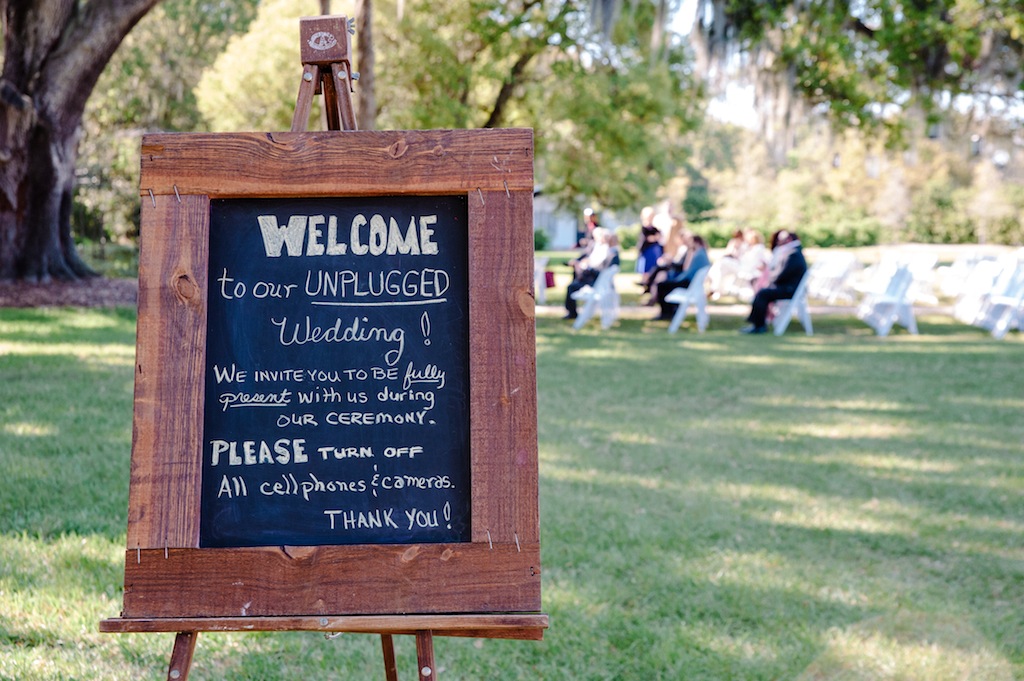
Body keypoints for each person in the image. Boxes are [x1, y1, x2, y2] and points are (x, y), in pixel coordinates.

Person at [739, 229, 807, 334]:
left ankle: (759, 325)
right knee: (762, 291)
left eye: (781, 240)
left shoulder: (793, 254)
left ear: (788, 239)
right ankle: (757, 323)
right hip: (788, 288)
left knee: (763, 293)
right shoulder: (793, 252)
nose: (778, 243)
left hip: (789, 290)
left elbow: (781, 274)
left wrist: (770, 278)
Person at [564, 227, 620, 319]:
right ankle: (571, 311)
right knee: (574, 281)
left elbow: (600, 269)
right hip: (596, 280)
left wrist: (586, 267)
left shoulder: (609, 253)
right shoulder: (605, 250)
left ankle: (572, 313)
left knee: (571, 287)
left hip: (596, 283)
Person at [653, 233, 711, 320]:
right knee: (665, 284)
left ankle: (666, 313)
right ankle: (669, 311)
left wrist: (677, 279)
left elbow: (688, 272)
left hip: (689, 283)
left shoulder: (698, 254)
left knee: (662, 286)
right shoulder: (701, 253)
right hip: (692, 283)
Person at [635, 206, 663, 277]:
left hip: (654, 252)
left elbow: (659, 236)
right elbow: (647, 238)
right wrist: (654, 237)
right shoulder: (644, 228)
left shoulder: (654, 228)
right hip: (646, 252)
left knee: (653, 270)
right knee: (645, 271)